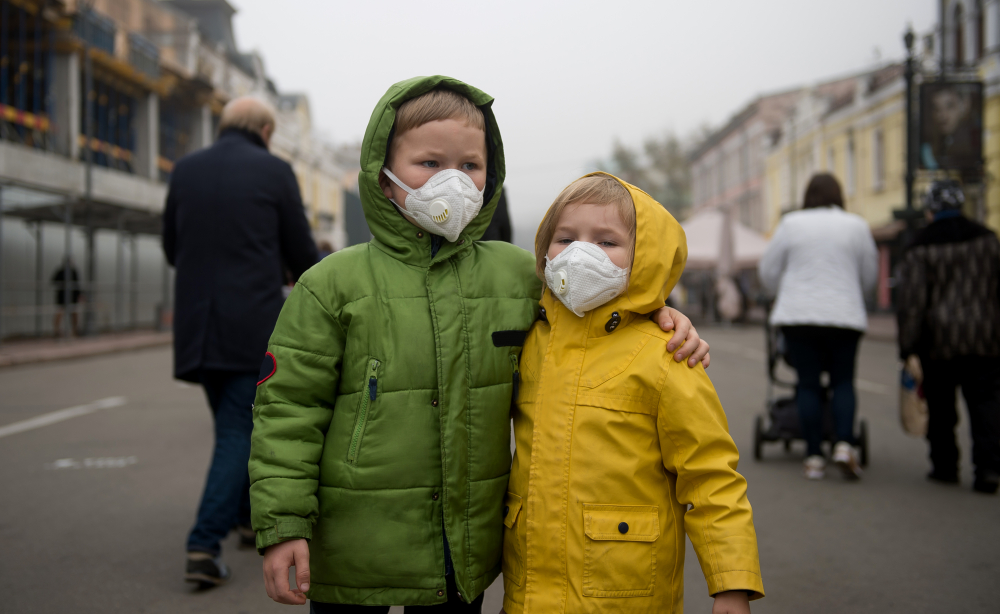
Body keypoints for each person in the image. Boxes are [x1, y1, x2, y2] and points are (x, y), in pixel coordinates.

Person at [248, 77, 710, 612]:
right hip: (353, 548)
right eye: (429, 163)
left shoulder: (518, 276)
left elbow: (596, 313)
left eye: (470, 165)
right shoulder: (331, 284)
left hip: (461, 552)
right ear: (384, 175)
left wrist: (658, 311)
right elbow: (288, 413)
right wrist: (283, 525)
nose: (453, 181)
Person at [501, 174, 762, 614]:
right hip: (528, 595)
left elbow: (711, 475)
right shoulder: (528, 340)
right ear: (544, 250)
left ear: (644, 258)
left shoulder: (667, 354)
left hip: (626, 595)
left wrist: (731, 587)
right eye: (565, 238)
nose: (582, 253)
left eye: (607, 242)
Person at [163, 96, 318, 586]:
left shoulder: (185, 170)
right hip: (249, 323)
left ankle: (248, 519)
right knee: (238, 431)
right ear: (267, 130)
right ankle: (203, 546)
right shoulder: (273, 171)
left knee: (231, 426)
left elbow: (171, 246)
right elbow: (300, 251)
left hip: (195, 326)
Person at [758, 173, 878, 480]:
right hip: (844, 317)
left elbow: (768, 270)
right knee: (843, 382)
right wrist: (854, 294)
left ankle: (813, 457)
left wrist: (780, 291)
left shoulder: (791, 224)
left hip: (799, 316)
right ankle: (843, 445)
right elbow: (869, 275)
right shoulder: (857, 225)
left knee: (808, 383)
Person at [896, 180, 1000, 494]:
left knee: (941, 408)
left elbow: (912, 301)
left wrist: (908, 346)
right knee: (986, 407)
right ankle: (989, 469)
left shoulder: (919, 246)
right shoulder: (988, 240)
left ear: (930, 211)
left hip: (937, 343)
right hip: (985, 339)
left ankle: (945, 466)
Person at [51, 257, 81, 336]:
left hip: (72, 297)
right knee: (60, 313)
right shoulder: (61, 271)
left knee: (73, 313)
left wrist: (79, 294)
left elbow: (77, 284)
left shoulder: (73, 271)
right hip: (62, 297)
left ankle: (74, 330)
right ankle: (57, 331)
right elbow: (53, 281)